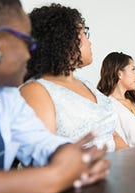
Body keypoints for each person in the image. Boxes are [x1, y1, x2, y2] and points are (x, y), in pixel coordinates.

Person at [0, 1, 109, 193]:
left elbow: (40, 142)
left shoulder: (6, 96)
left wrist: (73, 158)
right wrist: (58, 176)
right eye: (27, 41)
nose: (30, 53)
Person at [20, 4, 128, 152]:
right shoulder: (35, 91)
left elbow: (112, 136)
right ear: (63, 39)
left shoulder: (86, 84)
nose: (89, 42)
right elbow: (43, 161)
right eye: (84, 33)